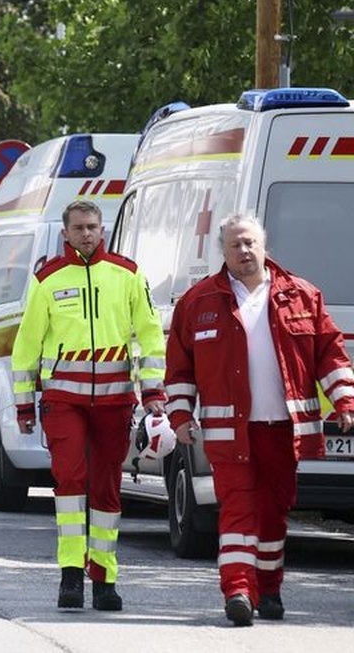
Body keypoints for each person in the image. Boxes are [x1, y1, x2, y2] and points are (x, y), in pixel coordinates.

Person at [165, 214, 354, 627]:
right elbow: (179, 371)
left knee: (273, 512)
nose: (244, 251)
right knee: (237, 509)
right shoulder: (198, 303)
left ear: (264, 246)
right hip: (229, 431)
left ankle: (268, 587)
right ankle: (237, 590)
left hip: (284, 431)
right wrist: (180, 416)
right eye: (236, 245)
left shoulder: (302, 296)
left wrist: (345, 402)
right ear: (224, 252)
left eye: (250, 243)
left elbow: (330, 355)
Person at [11, 200, 166, 611]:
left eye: (93, 226)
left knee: (106, 486)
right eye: (78, 227)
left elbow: (151, 338)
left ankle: (104, 578)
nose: (86, 234)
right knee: (69, 479)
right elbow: (25, 347)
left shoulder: (128, 275)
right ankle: (69, 576)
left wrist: (153, 394)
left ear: (103, 230)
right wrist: (24, 406)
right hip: (64, 401)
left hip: (115, 400)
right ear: (65, 233)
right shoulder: (47, 279)